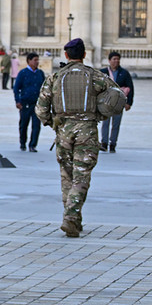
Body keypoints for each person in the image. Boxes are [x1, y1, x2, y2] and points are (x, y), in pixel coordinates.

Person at [35, 38, 121, 238]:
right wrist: (100, 115)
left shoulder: (55, 78)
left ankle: (74, 219)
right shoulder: (95, 76)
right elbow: (116, 95)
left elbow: (40, 110)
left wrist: (53, 123)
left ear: (66, 55)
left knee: (67, 177)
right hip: (87, 132)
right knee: (81, 177)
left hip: (63, 132)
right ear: (84, 54)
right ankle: (71, 218)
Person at [100, 51, 134, 153]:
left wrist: (129, 103)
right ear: (109, 60)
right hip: (106, 102)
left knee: (116, 124)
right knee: (105, 123)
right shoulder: (103, 72)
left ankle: (113, 144)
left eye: (118, 59)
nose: (116, 61)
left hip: (119, 102)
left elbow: (130, 87)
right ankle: (104, 143)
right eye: (114, 59)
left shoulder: (124, 73)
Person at [12, 52, 45, 152]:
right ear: (29, 61)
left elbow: (44, 88)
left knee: (36, 125)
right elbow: (16, 88)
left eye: (37, 60)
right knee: (23, 124)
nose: (37, 62)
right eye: (35, 60)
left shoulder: (40, 73)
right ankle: (23, 143)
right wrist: (18, 101)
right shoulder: (23, 73)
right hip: (25, 103)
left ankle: (33, 145)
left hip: (37, 103)